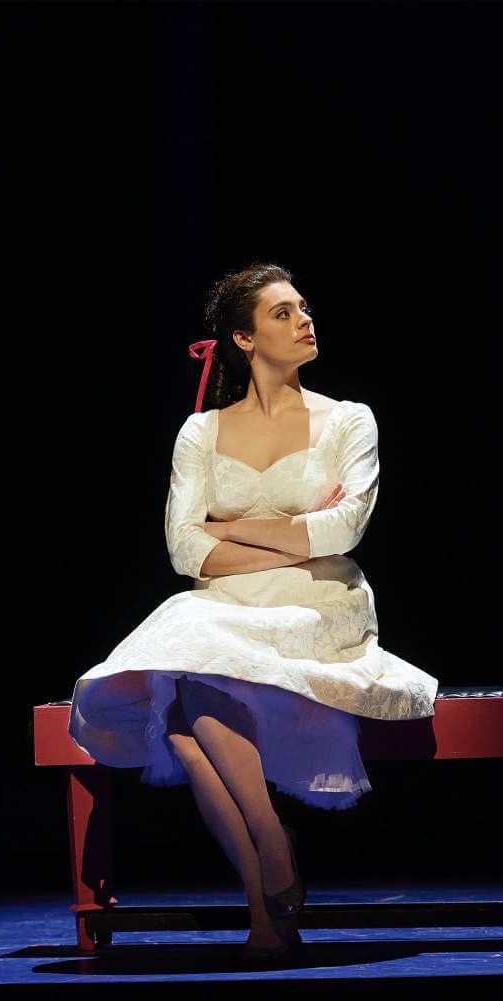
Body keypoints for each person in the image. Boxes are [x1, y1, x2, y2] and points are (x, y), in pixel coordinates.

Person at [69, 263, 438, 963]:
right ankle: (271, 853)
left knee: (189, 695)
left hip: (319, 602)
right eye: (282, 313)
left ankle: (267, 890)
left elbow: (342, 532)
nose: (305, 320)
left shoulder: (348, 420)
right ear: (243, 338)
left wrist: (231, 529)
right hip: (228, 606)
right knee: (185, 676)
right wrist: (292, 533)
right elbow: (185, 550)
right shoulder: (201, 433)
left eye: (304, 308)